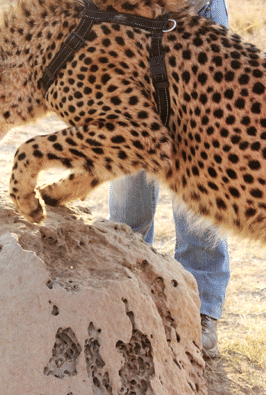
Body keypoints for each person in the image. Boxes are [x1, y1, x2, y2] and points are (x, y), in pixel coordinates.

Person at [0, 0, 229, 358]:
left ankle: (200, 308)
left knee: (197, 173)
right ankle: (130, 302)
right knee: (125, 177)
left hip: (187, 20)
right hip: (116, 26)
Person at [109, 0, 230, 358]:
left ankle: (200, 307)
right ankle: (124, 292)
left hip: (196, 17)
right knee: (129, 155)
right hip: (126, 18)